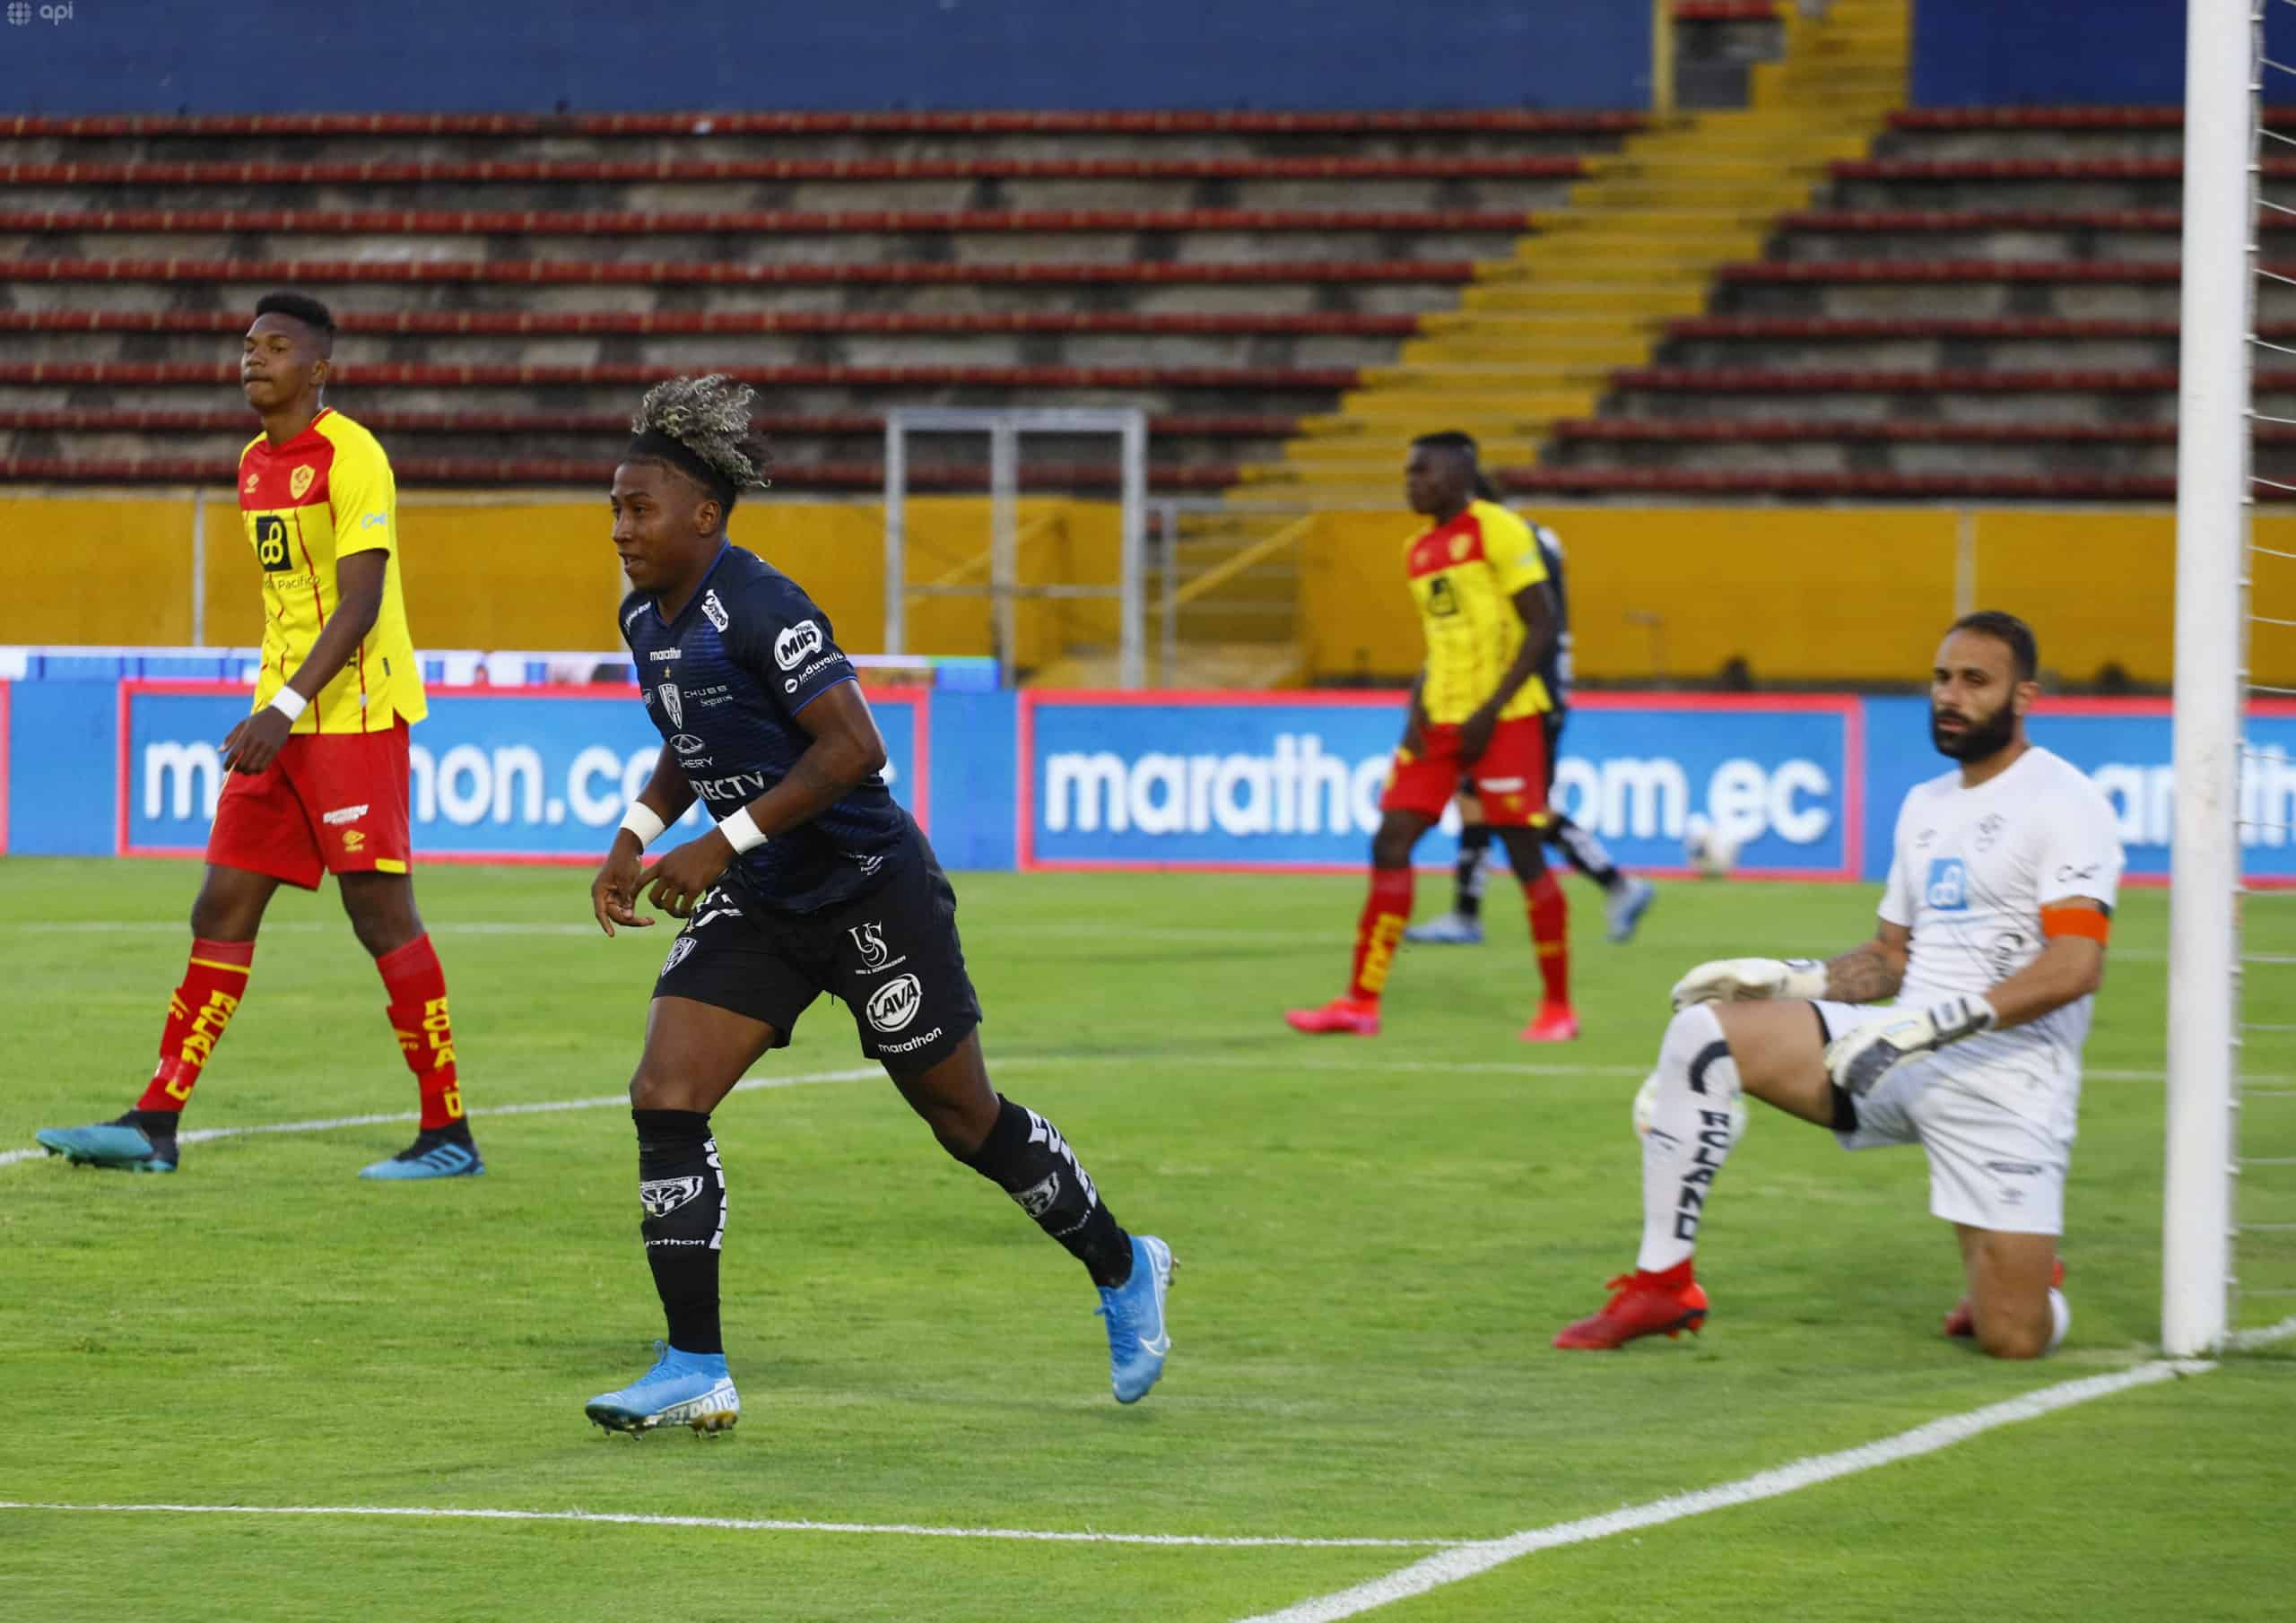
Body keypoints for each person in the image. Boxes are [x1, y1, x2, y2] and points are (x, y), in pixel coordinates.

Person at [582, 375, 1172, 1435]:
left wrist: (719, 841)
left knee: (965, 1120)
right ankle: (693, 1365)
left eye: (639, 507)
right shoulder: (643, 617)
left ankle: (1124, 1264)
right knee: (665, 1093)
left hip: (868, 891)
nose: (621, 528)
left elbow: (855, 748)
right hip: (766, 897)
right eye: (614, 508)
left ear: (704, 514)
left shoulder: (762, 605)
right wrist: (633, 834)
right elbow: (689, 735)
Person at [1554, 612, 2117, 1358]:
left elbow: (2075, 966)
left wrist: (1929, 1026)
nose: (1950, 695)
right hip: (1892, 1054)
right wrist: (1790, 979)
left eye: (1975, 681)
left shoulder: (2065, 801)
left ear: (2024, 697)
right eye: (1942, 678)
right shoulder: (1926, 805)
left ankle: (2035, 1282)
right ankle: (1663, 1284)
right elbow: (1891, 958)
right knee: (1704, 1032)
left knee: (2013, 1338)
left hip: (2005, 1083)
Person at [36, 291, 478, 1181]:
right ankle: (156, 1122)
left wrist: (284, 707)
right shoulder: (251, 465)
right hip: (281, 720)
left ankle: (448, 1133)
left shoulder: (354, 456)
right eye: (247, 345)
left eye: (275, 347)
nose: (253, 358)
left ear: (318, 369)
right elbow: (289, 602)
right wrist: (275, 707)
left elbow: (359, 603)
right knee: (221, 906)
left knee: (379, 913)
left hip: (352, 714)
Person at [1285, 432, 1577, 1043]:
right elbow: (1441, 642)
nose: (1411, 483)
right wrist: (1416, 711)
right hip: (1438, 720)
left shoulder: (1498, 530)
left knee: (1524, 853)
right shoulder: (1417, 550)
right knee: (1390, 841)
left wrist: (1491, 710)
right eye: (1408, 472)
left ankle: (1557, 1008)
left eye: (1423, 471)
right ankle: (1360, 1003)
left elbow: (1542, 625)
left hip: (1505, 718)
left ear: (1460, 474)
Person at [1406, 476, 1654, 950]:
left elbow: (1520, 625)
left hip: (1525, 693)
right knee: (1477, 795)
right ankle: (1466, 914)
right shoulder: (1530, 537)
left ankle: (1617, 884)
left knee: (1522, 807)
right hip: (1523, 687)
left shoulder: (1505, 542)